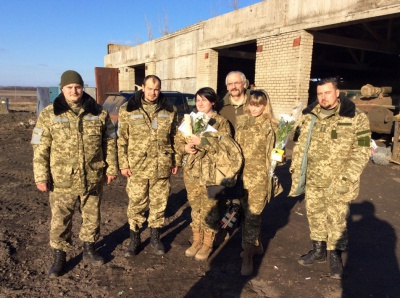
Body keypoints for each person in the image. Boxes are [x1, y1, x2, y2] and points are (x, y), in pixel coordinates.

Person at [31, 70, 118, 278]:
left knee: (91, 216)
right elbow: (39, 147)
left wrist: (112, 167)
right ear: (62, 89)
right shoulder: (49, 114)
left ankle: (89, 248)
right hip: (62, 180)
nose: (74, 91)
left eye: (77, 87)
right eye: (69, 87)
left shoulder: (99, 112)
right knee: (61, 220)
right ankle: (59, 256)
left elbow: (111, 141)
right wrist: (41, 176)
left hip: (92, 176)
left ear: (83, 87)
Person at [289, 77, 371, 279]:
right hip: (313, 177)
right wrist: (295, 168)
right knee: (315, 214)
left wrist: (347, 177)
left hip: (339, 180)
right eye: (319, 93)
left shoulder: (356, 117)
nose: (323, 97)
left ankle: (334, 255)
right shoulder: (309, 115)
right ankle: (318, 250)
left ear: (337, 93)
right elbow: (299, 144)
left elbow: (362, 151)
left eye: (327, 92)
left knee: (337, 219)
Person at [117, 75, 178, 257]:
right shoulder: (128, 109)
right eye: (150, 88)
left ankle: (155, 237)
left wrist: (175, 160)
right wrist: (123, 164)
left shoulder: (170, 110)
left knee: (159, 203)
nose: (153, 92)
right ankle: (134, 239)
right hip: (137, 167)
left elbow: (175, 138)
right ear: (142, 87)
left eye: (156, 89)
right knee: (136, 203)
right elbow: (122, 139)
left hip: (162, 166)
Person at [174, 87, 232, 261]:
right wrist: (184, 148)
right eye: (197, 100)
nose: (200, 103)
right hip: (192, 172)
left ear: (212, 102)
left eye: (204, 100)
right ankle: (197, 240)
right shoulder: (189, 120)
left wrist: (204, 142)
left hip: (211, 173)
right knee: (196, 207)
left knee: (210, 209)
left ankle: (207, 244)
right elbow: (177, 142)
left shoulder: (221, 122)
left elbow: (227, 148)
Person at [235, 90, 277, 275]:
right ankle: (255, 246)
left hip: (259, 178)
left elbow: (276, 152)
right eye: (252, 104)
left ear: (265, 105)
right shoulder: (242, 121)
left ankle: (247, 256)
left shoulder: (271, 126)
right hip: (241, 175)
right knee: (245, 214)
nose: (254, 108)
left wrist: (279, 157)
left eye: (258, 105)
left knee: (253, 214)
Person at [219, 71, 252, 137]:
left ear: (244, 84)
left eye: (237, 83)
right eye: (230, 84)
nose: (233, 87)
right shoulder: (220, 107)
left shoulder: (255, 105)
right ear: (227, 87)